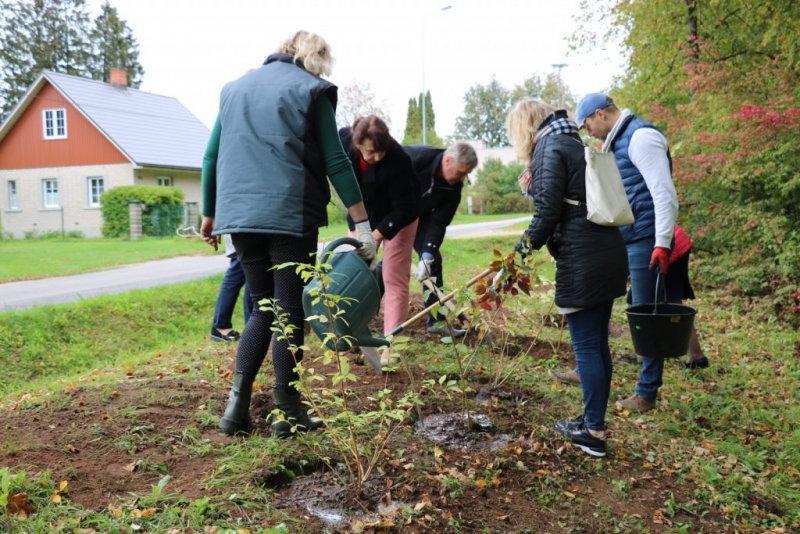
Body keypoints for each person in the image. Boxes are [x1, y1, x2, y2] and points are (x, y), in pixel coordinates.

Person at [200, 30, 377, 438]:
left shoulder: (233, 89)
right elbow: (336, 159)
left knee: (261, 309)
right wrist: (363, 225)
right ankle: (287, 411)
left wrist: (209, 215)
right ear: (313, 58)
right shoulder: (312, 89)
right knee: (288, 312)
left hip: (239, 217)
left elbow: (211, 154)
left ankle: (235, 410)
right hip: (288, 214)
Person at [505, 99, 628, 457]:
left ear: (524, 127)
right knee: (597, 345)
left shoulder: (549, 146)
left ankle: (593, 434)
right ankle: (593, 423)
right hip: (605, 251)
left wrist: (517, 258)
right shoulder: (572, 141)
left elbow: (547, 213)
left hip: (582, 259)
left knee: (588, 347)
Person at [576, 93, 680, 412]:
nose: (588, 131)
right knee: (631, 303)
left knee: (648, 314)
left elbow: (664, 194)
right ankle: (587, 367)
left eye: (587, 125)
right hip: (629, 237)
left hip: (646, 238)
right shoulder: (617, 141)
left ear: (600, 114)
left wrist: (662, 243)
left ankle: (647, 393)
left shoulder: (641, 137)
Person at [550, 224, 709, 387]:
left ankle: (651, 361)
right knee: (665, 303)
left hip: (666, 247)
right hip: (672, 242)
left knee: (657, 305)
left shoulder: (614, 228)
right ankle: (695, 356)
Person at [338, 115, 420, 364]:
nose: (378, 157)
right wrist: (363, 232)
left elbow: (406, 206)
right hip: (361, 215)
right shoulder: (342, 142)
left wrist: (376, 237)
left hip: (400, 217)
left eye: (381, 151)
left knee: (393, 277)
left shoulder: (398, 160)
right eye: (372, 152)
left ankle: (391, 347)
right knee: (353, 275)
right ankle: (344, 339)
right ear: (357, 143)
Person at [403, 141, 478, 336]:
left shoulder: (454, 187)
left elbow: (439, 222)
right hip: (391, 210)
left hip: (420, 217)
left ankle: (436, 324)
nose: (462, 178)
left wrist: (427, 254)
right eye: (461, 172)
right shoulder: (415, 158)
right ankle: (363, 315)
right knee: (391, 264)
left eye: (466, 174)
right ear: (447, 160)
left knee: (433, 260)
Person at [210, 234, 252, 342]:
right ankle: (251, 329)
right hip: (243, 227)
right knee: (245, 270)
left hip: (246, 227)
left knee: (248, 271)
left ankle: (251, 328)